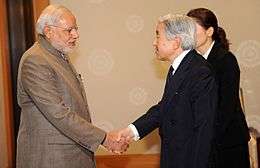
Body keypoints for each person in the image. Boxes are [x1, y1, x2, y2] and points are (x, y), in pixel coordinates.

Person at [16, 5, 126, 168]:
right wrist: (104, 138)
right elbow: (58, 113)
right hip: (51, 159)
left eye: (76, 29)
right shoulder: (36, 60)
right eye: (69, 30)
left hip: (69, 156)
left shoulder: (57, 55)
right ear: (48, 31)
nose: (76, 34)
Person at [117, 14, 218, 168]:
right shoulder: (179, 68)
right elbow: (165, 108)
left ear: (176, 42)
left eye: (158, 36)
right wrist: (132, 130)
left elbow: (204, 129)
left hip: (189, 160)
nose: (154, 42)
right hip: (175, 157)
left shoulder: (199, 71)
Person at [187, 8, 250, 168]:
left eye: (192, 29)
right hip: (205, 141)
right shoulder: (191, 61)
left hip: (228, 141)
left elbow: (226, 106)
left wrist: (207, 137)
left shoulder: (226, 59)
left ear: (209, 31)